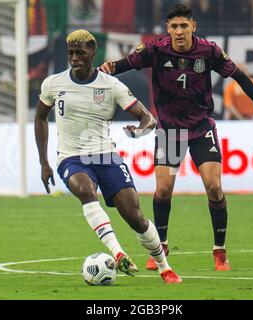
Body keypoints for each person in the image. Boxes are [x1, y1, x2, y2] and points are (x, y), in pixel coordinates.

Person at [100, 4, 253, 271]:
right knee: (163, 189)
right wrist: (106, 69)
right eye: (174, 27)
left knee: (214, 186)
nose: (179, 31)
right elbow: (122, 65)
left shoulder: (209, 51)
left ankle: (220, 251)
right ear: (168, 28)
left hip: (200, 129)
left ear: (193, 26)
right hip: (170, 131)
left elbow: (239, 75)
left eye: (184, 26)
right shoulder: (155, 50)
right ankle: (160, 246)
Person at [34, 29, 182, 283]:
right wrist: (44, 162)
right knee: (85, 190)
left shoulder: (111, 85)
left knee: (134, 216)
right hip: (71, 157)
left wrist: (138, 132)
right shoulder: (53, 83)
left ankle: (164, 266)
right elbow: (39, 118)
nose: (74, 58)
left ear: (93, 52)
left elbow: (148, 119)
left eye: (80, 53)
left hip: (105, 157)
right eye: (71, 53)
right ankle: (118, 252)